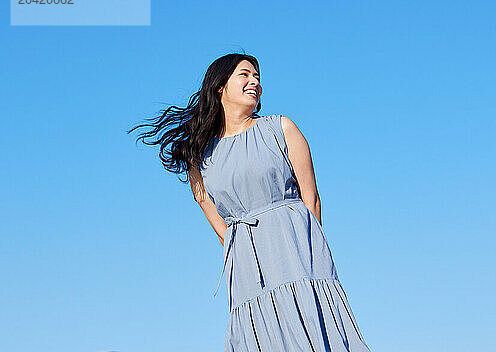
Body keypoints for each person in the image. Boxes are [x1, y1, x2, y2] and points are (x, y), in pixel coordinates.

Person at [130, 53, 372, 351]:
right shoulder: (198, 153)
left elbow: (311, 198)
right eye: (244, 75)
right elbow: (205, 202)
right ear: (221, 86)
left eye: (257, 77)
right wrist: (236, 245)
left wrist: (307, 251)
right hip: (244, 257)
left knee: (309, 328)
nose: (254, 82)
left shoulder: (281, 128)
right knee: (259, 334)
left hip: (295, 245)